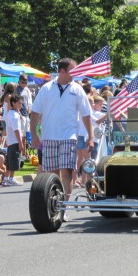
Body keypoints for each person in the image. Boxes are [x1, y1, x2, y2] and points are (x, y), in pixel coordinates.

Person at [30, 58, 93, 208]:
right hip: (49, 137)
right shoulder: (46, 88)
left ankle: (64, 206)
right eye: (72, 70)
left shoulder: (77, 89)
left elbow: (86, 114)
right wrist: (33, 134)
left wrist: (91, 136)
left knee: (67, 172)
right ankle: (54, 205)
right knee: (52, 175)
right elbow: (35, 112)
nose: (75, 74)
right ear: (62, 71)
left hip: (69, 137)